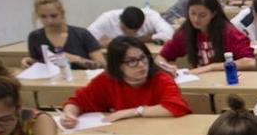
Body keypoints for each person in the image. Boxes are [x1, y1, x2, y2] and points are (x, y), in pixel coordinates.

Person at [60, 38, 191, 126]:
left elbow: (176, 107)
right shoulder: (107, 80)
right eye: (132, 61)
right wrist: (69, 115)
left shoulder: (160, 78)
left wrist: (132, 112)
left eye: (143, 58)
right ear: (118, 66)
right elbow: (77, 101)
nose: (141, 65)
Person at [158, 0, 256, 74]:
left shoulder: (228, 32)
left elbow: (250, 62)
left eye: (202, 15)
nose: (196, 19)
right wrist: (167, 68)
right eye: (192, 13)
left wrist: (211, 67)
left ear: (213, 14)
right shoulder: (185, 32)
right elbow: (160, 58)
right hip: (200, 83)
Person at [23, 0, 103, 69]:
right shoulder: (35, 37)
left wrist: (77, 59)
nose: (49, 21)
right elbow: (40, 64)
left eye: (54, 16)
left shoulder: (82, 34)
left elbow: (102, 66)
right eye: (43, 17)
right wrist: (30, 62)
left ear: (62, 13)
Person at [88, 6, 174, 46]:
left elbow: (169, 34)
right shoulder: (107, 18)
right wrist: (105, 43)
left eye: (135, 32)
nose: (130, 34)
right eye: (125, 30)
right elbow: (84, 42)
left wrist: (143, 39)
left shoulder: (150, 16)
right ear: (120, 21)